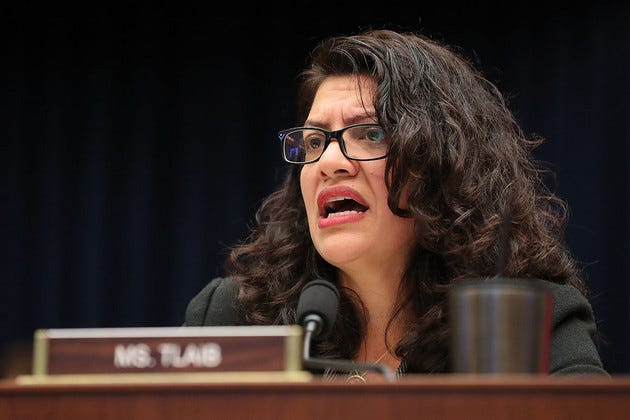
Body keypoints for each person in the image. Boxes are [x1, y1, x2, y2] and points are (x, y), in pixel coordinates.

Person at [183, 28, 607, 378]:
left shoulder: (526, 323)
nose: (330, 162)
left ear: (443, 164)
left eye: (370, 133)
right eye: (314, 141)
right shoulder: (233, 317)